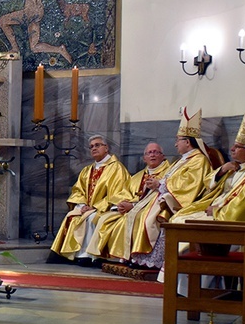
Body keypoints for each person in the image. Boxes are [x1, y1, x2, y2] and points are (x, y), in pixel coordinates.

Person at [126, 107, 212, 269]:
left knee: (148, 216)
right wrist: (157, 183)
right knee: (136, 212)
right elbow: (170, 178)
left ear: (187, 142)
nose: (175, 143)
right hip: (166, 196)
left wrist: (160, 185)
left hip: (178, 201)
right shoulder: (183, 160)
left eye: (178, 140)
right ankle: (138, 256)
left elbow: (189, 187)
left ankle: (151, 260)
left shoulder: (199, 160)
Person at [50, 135, 129, 263]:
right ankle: (75, 255)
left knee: (92, 218)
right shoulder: (87, 170)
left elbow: (118, 192)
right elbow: (78, 190)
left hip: (105, 209)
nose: (94, 148)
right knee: (72, 216)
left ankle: (91, 255)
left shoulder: (116, 168)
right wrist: (82, 205)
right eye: (91, 146)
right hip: (87, 208)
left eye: (97, 145)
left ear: (106, 148)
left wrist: (95, 207)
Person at [171, 116, 245, 223]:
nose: (232, 149)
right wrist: (222, 170)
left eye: (237, 147)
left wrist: (217, 210)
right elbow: (207, 184)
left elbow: (243, 203)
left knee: (179, 221)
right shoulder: (233, 167)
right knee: (177, 218)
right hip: (214, 206)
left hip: (225, 213)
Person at [88, 142, 170, 261]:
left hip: (152, 210)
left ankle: (134, 258)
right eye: (149, 153)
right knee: (105, 218)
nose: (152, 155)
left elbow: (162, 195)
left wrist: (132, 206)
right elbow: (124, 193)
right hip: (131, 209)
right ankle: (100, 257)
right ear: (144, 158)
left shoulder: (168, 174)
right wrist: (121, 204)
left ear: (163, 156)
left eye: (156, 152)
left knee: (127, 221)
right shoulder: (137, 177)